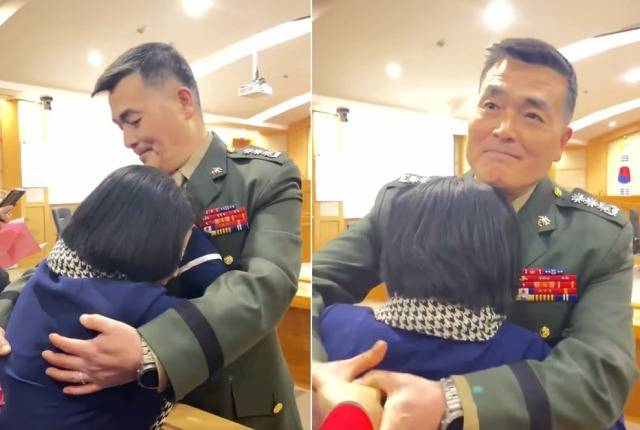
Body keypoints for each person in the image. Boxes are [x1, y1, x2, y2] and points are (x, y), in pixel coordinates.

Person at [312, 37, 637, 430]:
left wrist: (456, 399)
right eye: (491, 106)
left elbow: (600, 376)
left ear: (561, 142)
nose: (503, 129)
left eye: (532, 115)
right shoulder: (408, 205)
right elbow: (316, 285)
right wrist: (320, 370)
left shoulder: (594, 235)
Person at [0, 43, 304, 430]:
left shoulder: (262, 177)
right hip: (124, 404)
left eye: (134, 120)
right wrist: (4, 314)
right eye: (120, 127)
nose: (127, 140)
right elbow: (64, 263)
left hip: (228, 401)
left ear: (183, 102)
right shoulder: (131, 188)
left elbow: (266, 284)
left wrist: (153, 349)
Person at [0, 165, 227, 429]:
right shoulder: (150, 308)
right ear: (154, 245)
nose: (177, 270)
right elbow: (219, 338)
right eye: (179, 252)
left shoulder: (44, 276)